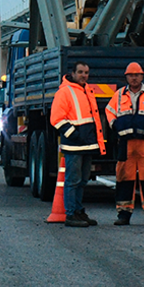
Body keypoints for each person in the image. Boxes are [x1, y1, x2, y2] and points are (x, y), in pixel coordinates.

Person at [104, 62, 144, 225]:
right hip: (126, 143)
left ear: (142, 76)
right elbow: (109, 111)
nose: (134, 78)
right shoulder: (119, 95)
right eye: (131, 75)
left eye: (137, 75)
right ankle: (123, 213)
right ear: (126, 77)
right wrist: (115, 125)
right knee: (124, 177)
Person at [50, 61, 106, 227]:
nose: (84, 75)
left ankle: (78, 211)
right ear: (72, 73)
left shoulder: (86, 90)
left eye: (86, 73)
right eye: (80, 72)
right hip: (75, 145)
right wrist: (73, 134)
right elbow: (56, 118)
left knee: (82, 180)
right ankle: (71, 213)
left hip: (86, 144)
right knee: (73, 180)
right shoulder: (65, 92)